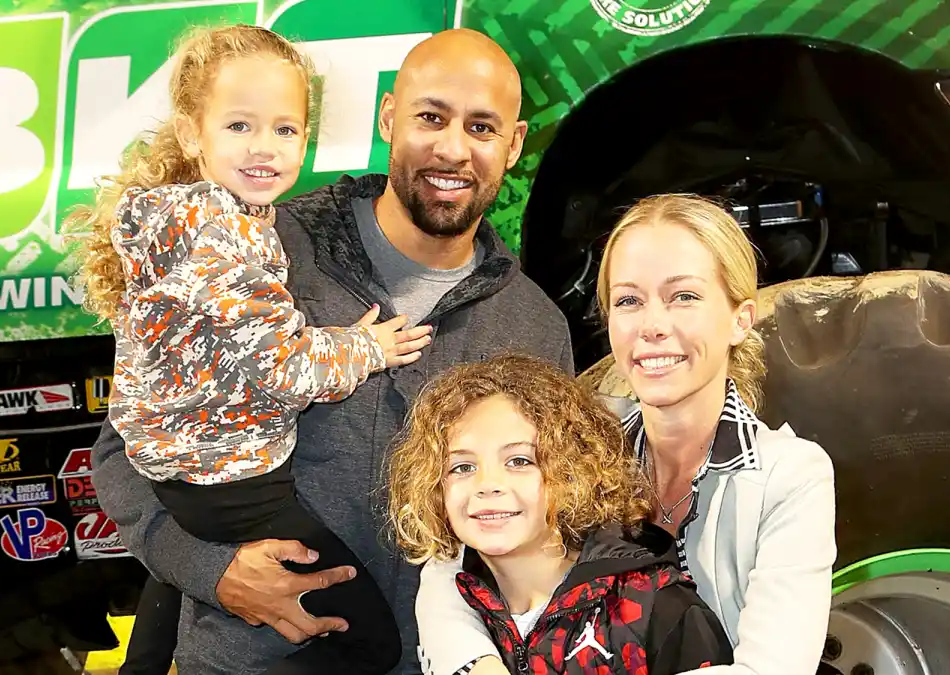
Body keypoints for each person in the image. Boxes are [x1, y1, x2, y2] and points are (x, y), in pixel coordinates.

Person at [87, 27, 575, 675]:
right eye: (431, 117)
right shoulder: (256, 250)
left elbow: (553, 524)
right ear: (390, 116)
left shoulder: (533, 326)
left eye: (482, 128)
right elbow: (123, 452)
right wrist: (213, 570)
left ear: (513, 145)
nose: (454, 148)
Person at [69, 24, 437, 674]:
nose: (265, 148)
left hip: (180, 472)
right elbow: (287, 368)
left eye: (285, 129)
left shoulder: (171, 223)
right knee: (373, 640)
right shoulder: (225, 239)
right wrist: (366, 346)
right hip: (236, 481)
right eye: (240, 127)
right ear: (192, 134)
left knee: (166, 611)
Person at [414, 194, 838, 675]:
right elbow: (448, 566)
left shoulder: (790, 476)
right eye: (629, 301)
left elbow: (772, 669)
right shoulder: (583, 438)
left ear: (741, 318)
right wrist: (477, 665)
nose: (652, 326)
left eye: (684, 297)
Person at [387, 353, 735, 674]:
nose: (487, 484)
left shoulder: (659, 609)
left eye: (519, 461)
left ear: (572, 472)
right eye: (462, 467)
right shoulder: (455, 607)